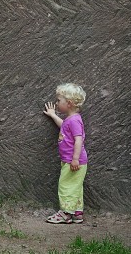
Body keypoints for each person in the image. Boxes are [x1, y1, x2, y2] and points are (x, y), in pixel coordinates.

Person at [43, 83, 88, 224]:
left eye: (59, 101)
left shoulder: (74, 120)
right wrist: (53, 115)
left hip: (73, 161)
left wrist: (75, 159)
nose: (56, 103)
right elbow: (63, 126)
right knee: (75, 186)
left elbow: (79, 140)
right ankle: (77, 212)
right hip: (72, 161)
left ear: (68, 103)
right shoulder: (72, 119)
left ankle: (66, 214)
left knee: (66, 186)